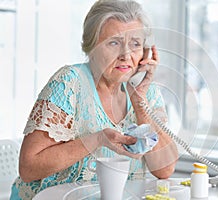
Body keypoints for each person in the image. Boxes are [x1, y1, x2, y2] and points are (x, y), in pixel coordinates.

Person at [10, 0, 178, 199]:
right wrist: (97, 139)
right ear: (92, 46)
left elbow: (165, 170)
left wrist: (140, 103)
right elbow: (28, 168)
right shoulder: (69, 83)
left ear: (146, 52)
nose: (126, 55)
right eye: (114, 43)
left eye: (135, 44)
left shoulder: (145, 92)